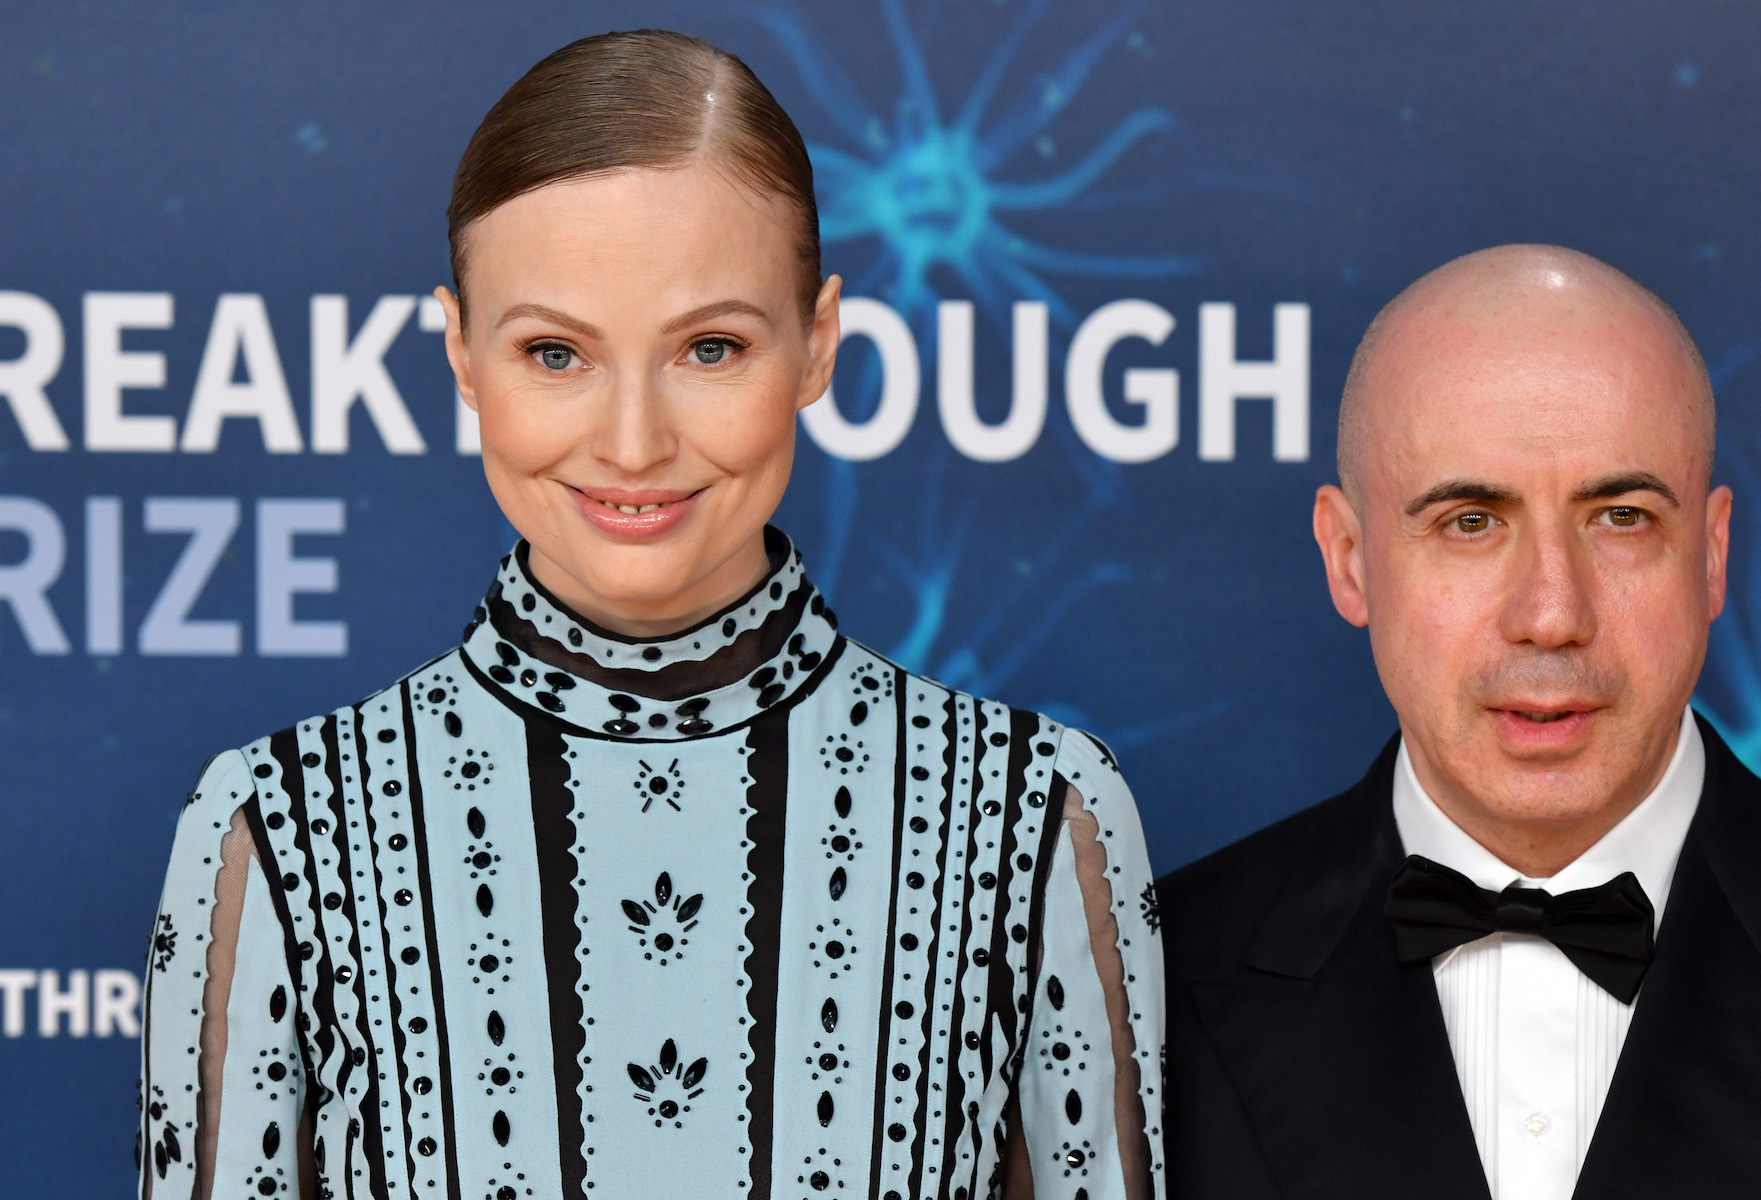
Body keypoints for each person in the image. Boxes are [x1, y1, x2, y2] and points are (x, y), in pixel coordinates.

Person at [138, 31, 1162, 1200]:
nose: (633, 442)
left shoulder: (1034, 814)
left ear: (817, 343)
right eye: (555, 352)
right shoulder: (279, 829)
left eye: (710, 347)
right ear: (463, 356)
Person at [1158, 245, 1761, 1199]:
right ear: (1350, 558)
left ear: (1713, 555)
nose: (1552, 611)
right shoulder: (1139, 997)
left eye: (1622, 518)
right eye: (1470, 522)